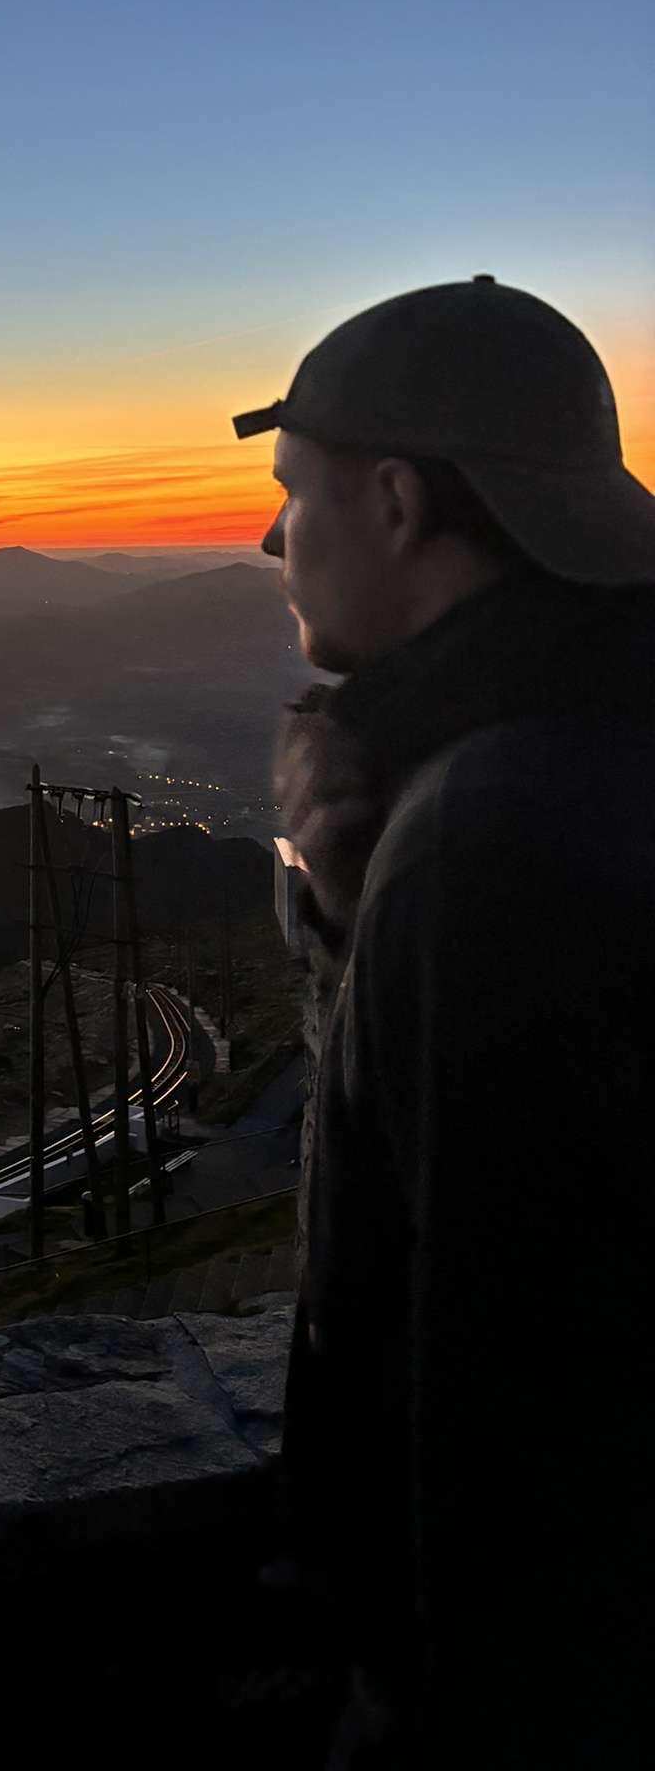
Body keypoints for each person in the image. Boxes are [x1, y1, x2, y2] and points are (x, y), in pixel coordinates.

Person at [231, 276, 655, 1767]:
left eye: (295, 492)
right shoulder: (569, 760)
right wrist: (362, 912)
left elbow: (520, 1388)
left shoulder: (499, 837)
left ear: (400, 502)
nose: (273, 542)